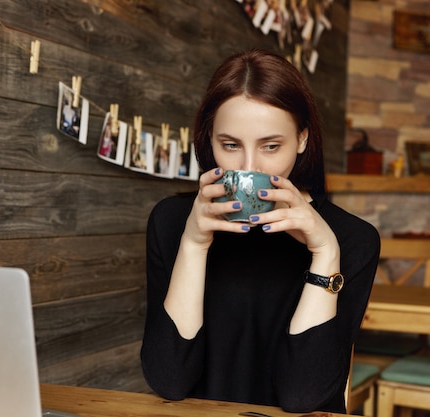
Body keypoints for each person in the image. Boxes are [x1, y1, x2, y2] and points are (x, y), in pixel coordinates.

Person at [140, 49, 380, 413]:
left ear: (301, 139)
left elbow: (304, 397)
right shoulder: (172, 221)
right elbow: (169, 381)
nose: (249, 168)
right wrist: (192, 243)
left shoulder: (352, 238)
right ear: (209, 140)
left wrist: (326, 252)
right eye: (231, 145)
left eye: (271, 146)